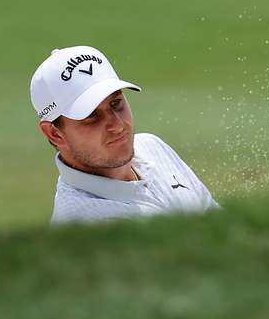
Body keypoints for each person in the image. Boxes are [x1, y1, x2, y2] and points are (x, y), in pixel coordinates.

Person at [30, 45, 219, 224]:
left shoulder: (151, 146)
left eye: (116, 103)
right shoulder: (84, 226)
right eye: (91, 116)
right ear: (54, 133)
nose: (118, 126)